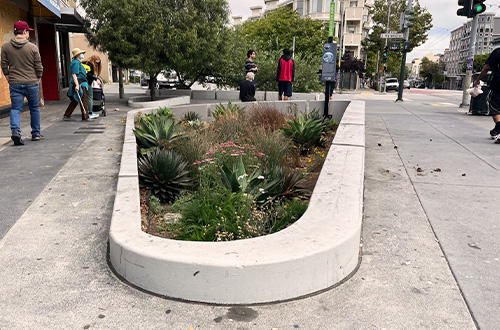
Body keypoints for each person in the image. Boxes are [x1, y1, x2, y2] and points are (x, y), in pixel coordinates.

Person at [1, 21, 44, 145]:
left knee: (15, 108)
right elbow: (38, 66)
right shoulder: (33, 47)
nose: (28, 34)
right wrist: (38, 78)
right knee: (34, 108)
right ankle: (35, 134)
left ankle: (15, 131)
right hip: (31, 82)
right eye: (28, 32)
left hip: (14, 83)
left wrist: (8, 77)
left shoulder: (6, 47)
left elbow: (4, 64)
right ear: (24, 32)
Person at [474, 48, 500, 143]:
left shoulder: (497, 52)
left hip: (498, 86)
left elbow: (487, 68)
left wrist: (478, 79)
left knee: (494, 107)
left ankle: (498, 126)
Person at [63, 48, 93, 122]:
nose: (82, 55)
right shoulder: (76, 63)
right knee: (83, 100)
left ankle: (67, 114)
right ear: (78, 55)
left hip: (80, 83)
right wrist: (77, 85)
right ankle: (85, 117)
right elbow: (74, 74)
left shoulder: (77, 62)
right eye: (81, 54)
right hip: (79, 83)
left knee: (76, 100)